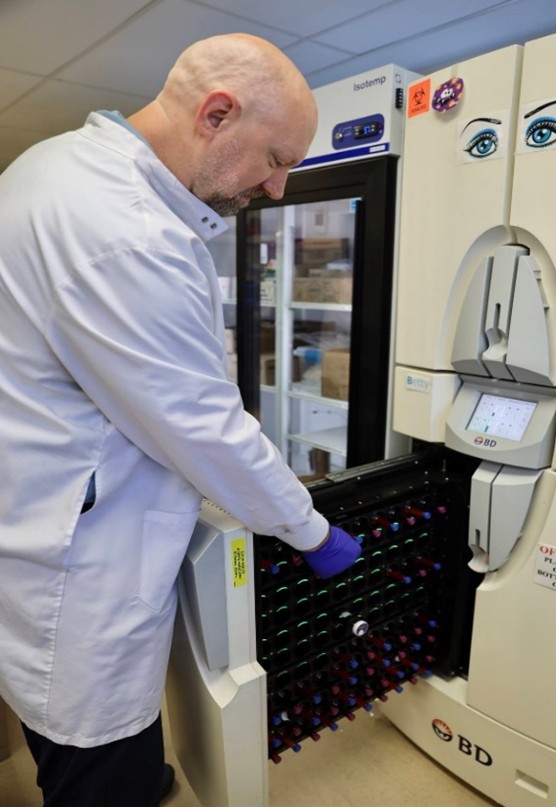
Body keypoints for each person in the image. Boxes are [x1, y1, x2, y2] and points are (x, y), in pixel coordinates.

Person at [0, 33, 361, 806]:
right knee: (92, 746)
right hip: (81, 555)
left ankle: (139, 771)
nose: (276, 188)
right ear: (217, 114)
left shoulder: (52, 165)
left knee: (70, 717)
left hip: (41, 508)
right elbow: (203, 426)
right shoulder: (125, 231)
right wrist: (311, 530)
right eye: (274, 158)